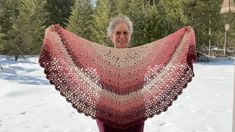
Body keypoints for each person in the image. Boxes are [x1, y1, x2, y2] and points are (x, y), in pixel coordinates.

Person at [96, 15, 145, 132]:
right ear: (111, 36)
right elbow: (73, 55)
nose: (122, 36)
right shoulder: (101, 57)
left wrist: (184, 37)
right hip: (108, 116)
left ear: (130, 35)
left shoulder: (139, 57)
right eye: (118, 33)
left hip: (135, 116)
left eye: (125, 32)